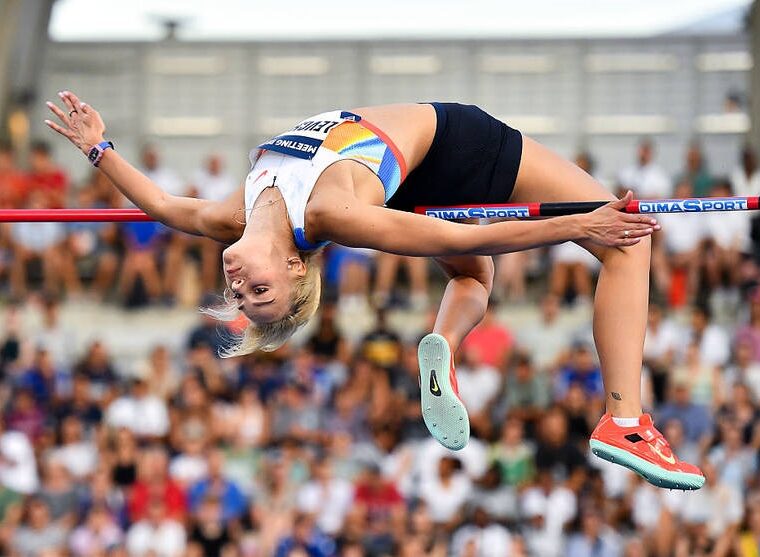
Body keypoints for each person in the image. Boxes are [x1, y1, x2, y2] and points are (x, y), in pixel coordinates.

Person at [46, 90, 702, 490]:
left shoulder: (233, 214)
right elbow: (457, 240)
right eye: (261, 294)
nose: (240, 288)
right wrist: (578, 223)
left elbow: (161, 203)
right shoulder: (333, 215)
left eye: (241, 296)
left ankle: (444, 338)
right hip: (455, 144)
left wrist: (98, 148)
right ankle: (625, 420)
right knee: (625, 237)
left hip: (410, 175)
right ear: (299, 269)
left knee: (477, 280)